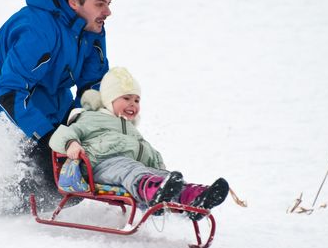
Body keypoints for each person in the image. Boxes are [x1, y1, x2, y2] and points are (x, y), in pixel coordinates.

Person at [0, 0, 113, 212]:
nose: (108, 12)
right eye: (100, 4)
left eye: (109, 3)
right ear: (74, 3)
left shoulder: (91, 26)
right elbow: (10, 91)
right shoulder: (38, 30)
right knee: (54, 182)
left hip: (51, 104)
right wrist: (49, 139)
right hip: (2, 110)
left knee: (79, 174)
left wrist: (80, 126)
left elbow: (94, 84)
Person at [49, 67, 229, 220]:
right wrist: (71, 143)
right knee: (130, 169)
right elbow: (63, 133)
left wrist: (161, 169)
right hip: (97, 166)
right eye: (126, 98)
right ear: (109, 99)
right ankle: (154, 191)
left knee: (150, 172)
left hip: (127, 168)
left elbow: (146, 151)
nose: (132, 104)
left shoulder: (131, 130)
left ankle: (194, 196)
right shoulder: (90, 117)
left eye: (136, 100)